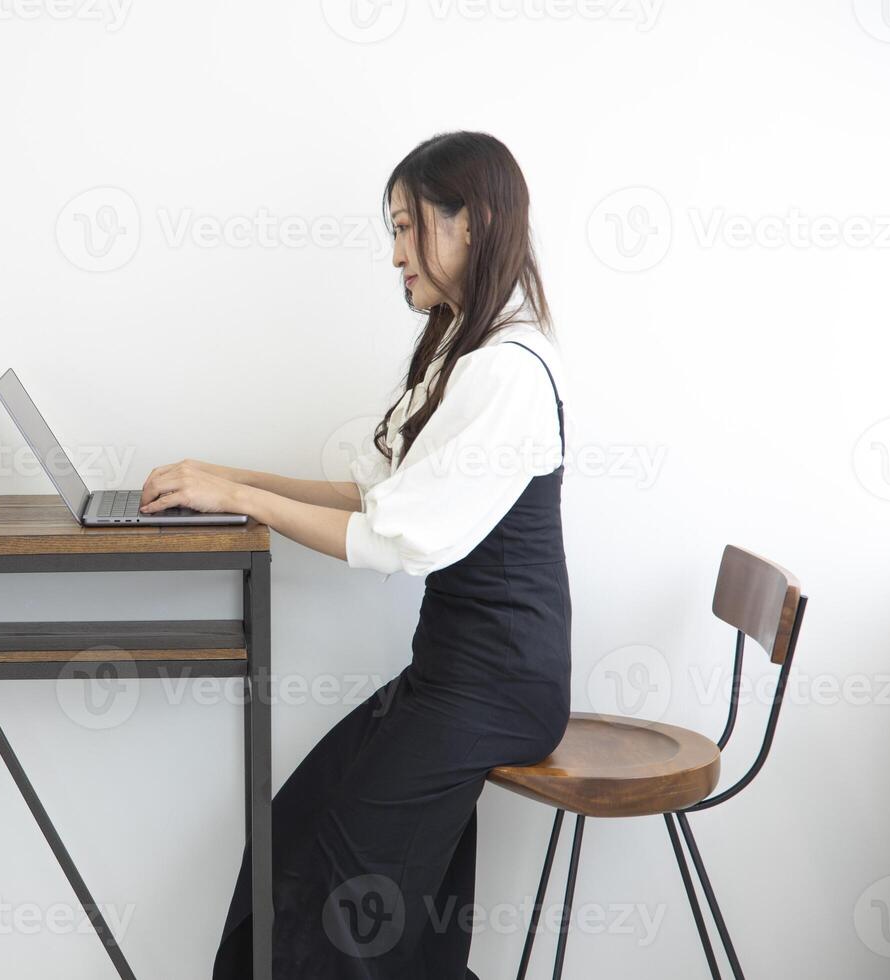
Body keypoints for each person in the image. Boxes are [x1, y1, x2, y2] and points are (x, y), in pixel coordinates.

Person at [138, 130, 572, 978]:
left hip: (496, 687)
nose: (397, 254)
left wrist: (239, 499)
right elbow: (373, 494)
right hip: (454, 674)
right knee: (293, 842)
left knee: (335, 908)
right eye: (395, 231)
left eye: (410, 228)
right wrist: (219, 477)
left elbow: (387, 540)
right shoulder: (464, 349)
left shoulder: (505, 374)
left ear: (473, 225)